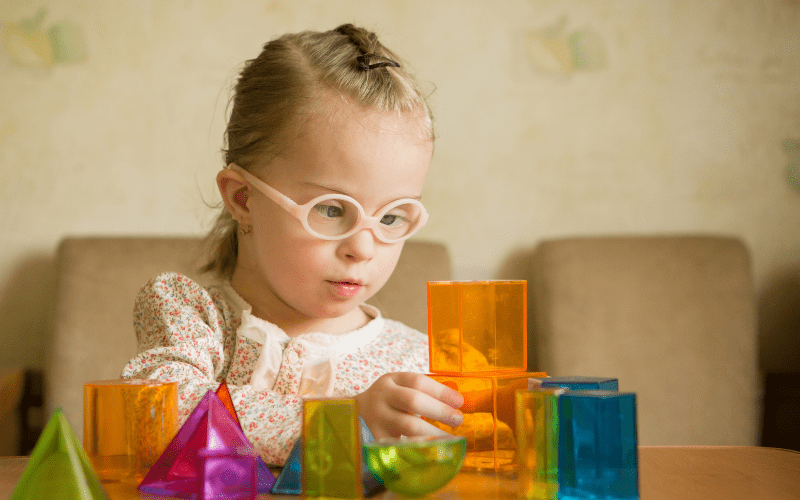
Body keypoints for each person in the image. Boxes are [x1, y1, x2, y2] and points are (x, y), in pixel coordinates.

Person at [121, 23, 464, 466]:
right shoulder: (190, 320)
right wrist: (341, 422)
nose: (362, 248)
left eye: (392, 216)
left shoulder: (419, 363)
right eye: (332, 209)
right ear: (243, 199)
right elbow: (165, 419)